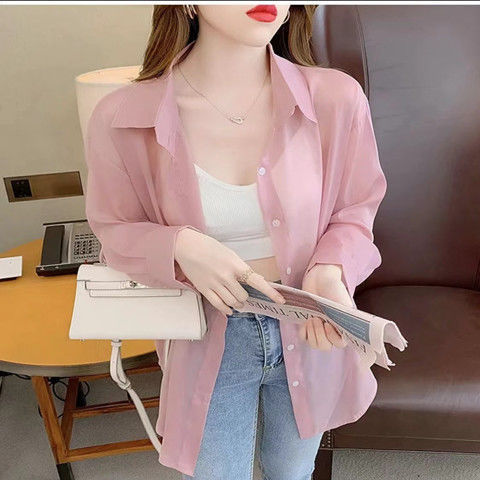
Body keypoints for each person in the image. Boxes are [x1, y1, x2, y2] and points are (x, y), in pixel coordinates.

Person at [84, 4, 387, 479]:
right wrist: (181, 246)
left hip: (309, 326)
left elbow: (355, 209)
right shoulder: (123, 117)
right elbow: (114, 228)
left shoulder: (336, 99)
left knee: (291, 472)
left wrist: (330, 271)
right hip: (206, 333)